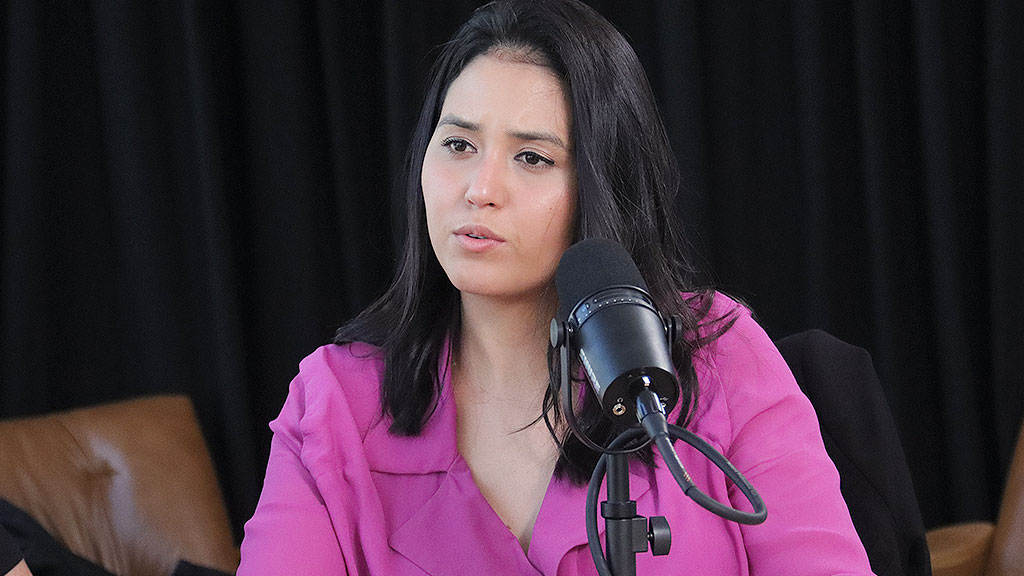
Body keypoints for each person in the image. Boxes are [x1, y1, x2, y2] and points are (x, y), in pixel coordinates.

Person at [238, 0, 875, 574]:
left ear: (604, 187)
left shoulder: (721, 357)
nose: (480, 189)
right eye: (458, 144)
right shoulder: (334, 403)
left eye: (532, 158)